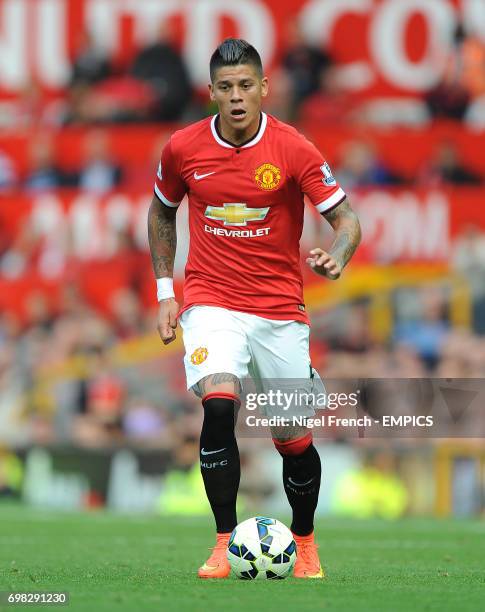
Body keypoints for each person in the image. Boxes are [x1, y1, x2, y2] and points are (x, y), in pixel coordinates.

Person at [147, 39, 361, 579]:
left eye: (247, 86)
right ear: (212, 91)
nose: (237, 97)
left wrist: (337, 257)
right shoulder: (183, 148)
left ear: (264, 87)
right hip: (210, 301)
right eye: (226, 87)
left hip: (279, 309)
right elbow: (161, 211)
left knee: (292, 438)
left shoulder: (293, 149)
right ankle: (224, 541)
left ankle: (306, 541)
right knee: (219, 403)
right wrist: (165, 292)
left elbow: (348, 220)